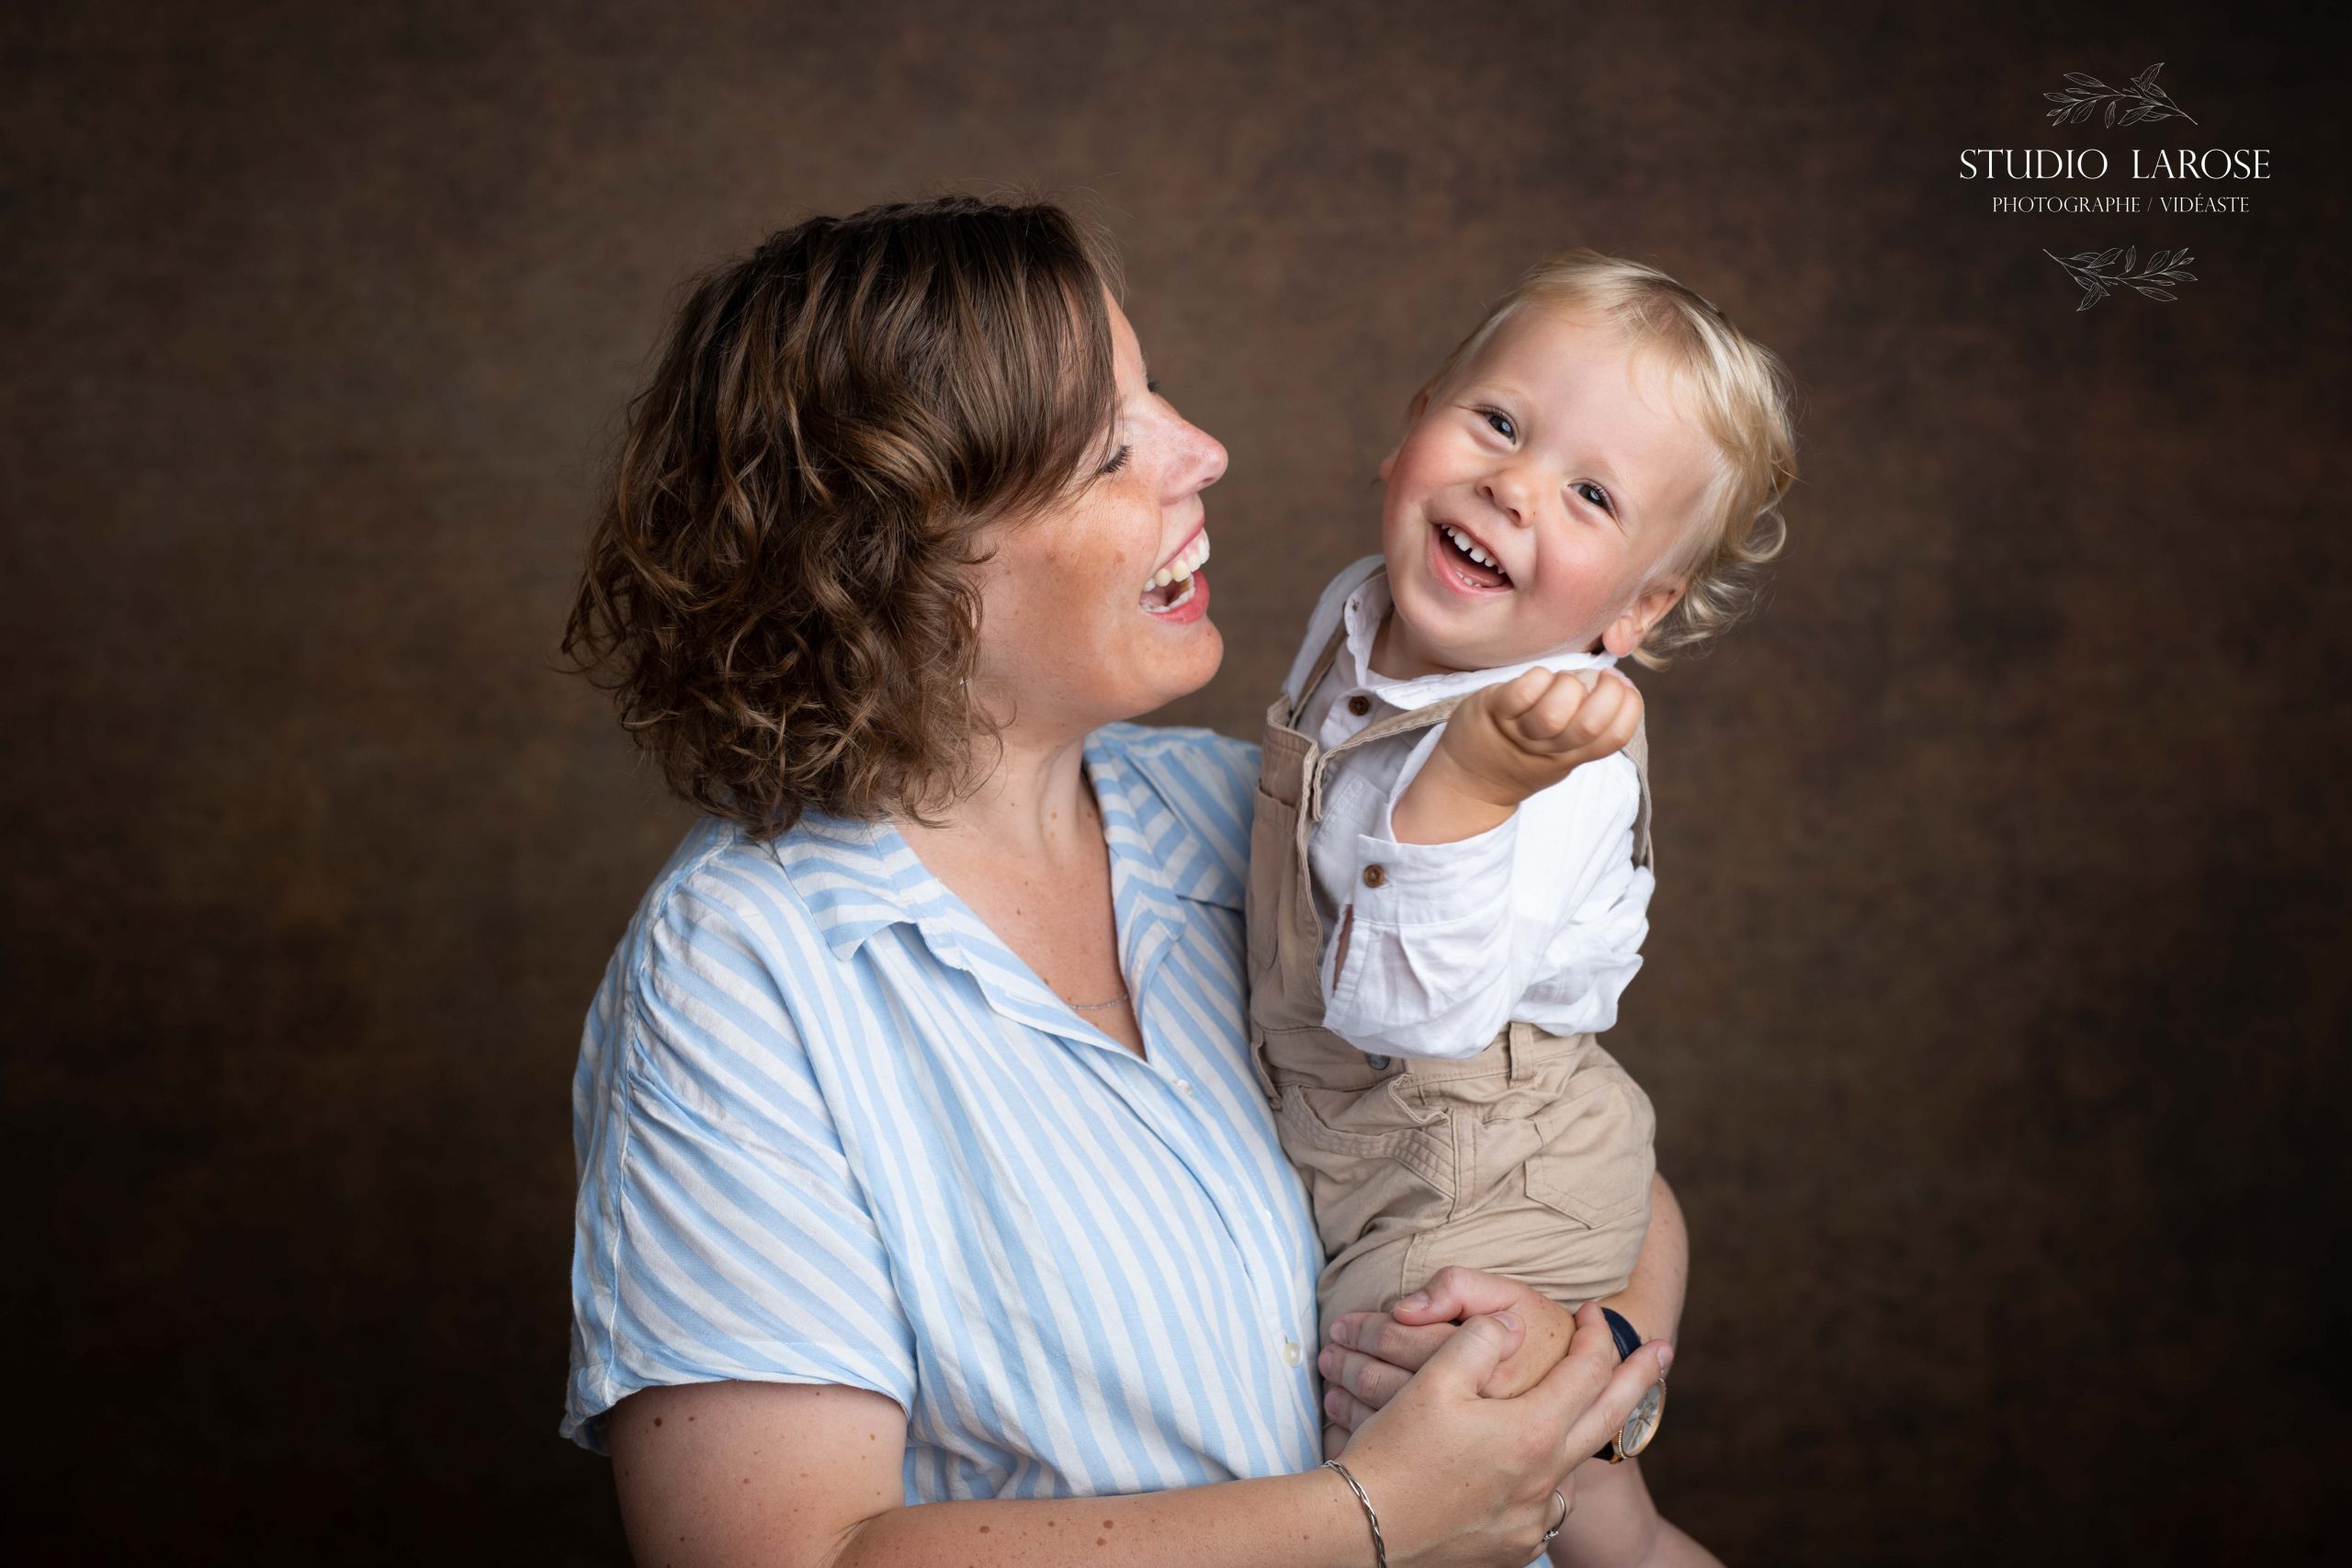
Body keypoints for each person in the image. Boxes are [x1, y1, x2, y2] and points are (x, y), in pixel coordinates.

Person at [559, 196, 1678, 1568]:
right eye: (1108, 447)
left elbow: (1583, 1146)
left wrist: (1585, 1375)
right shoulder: (737, 975)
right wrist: (1385, 1512)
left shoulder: (1244, 810)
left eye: (1159, 397)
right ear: (898, 561)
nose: (1206, 452)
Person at [1256, 251, 1795, 1567]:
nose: (1514, 485)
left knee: (1447, 1473)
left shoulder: (1562, 762)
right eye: (1498, 422)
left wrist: (1474, 787)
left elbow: (1410, 1015)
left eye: (1592, 495)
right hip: (1356, 1140)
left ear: (1636, 608)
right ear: (1411, 425)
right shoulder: (1357, 608)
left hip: (1479, 1167)